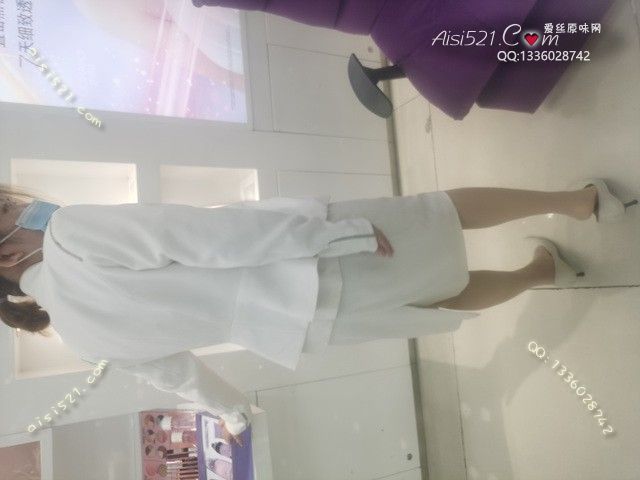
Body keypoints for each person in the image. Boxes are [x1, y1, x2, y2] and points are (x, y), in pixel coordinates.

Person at [0, 180, 635, 443]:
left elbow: (179, 375)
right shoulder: (70, 234)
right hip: (296, 259)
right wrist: (322, 236)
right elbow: (202, 236)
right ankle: (577, 202)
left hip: (294, 326)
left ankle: (539, 272)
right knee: (437, 215)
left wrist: (233, 415)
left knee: (432, 300)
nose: (23, 205)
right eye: (7, 210)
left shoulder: (78, 338)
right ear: (5, 256)